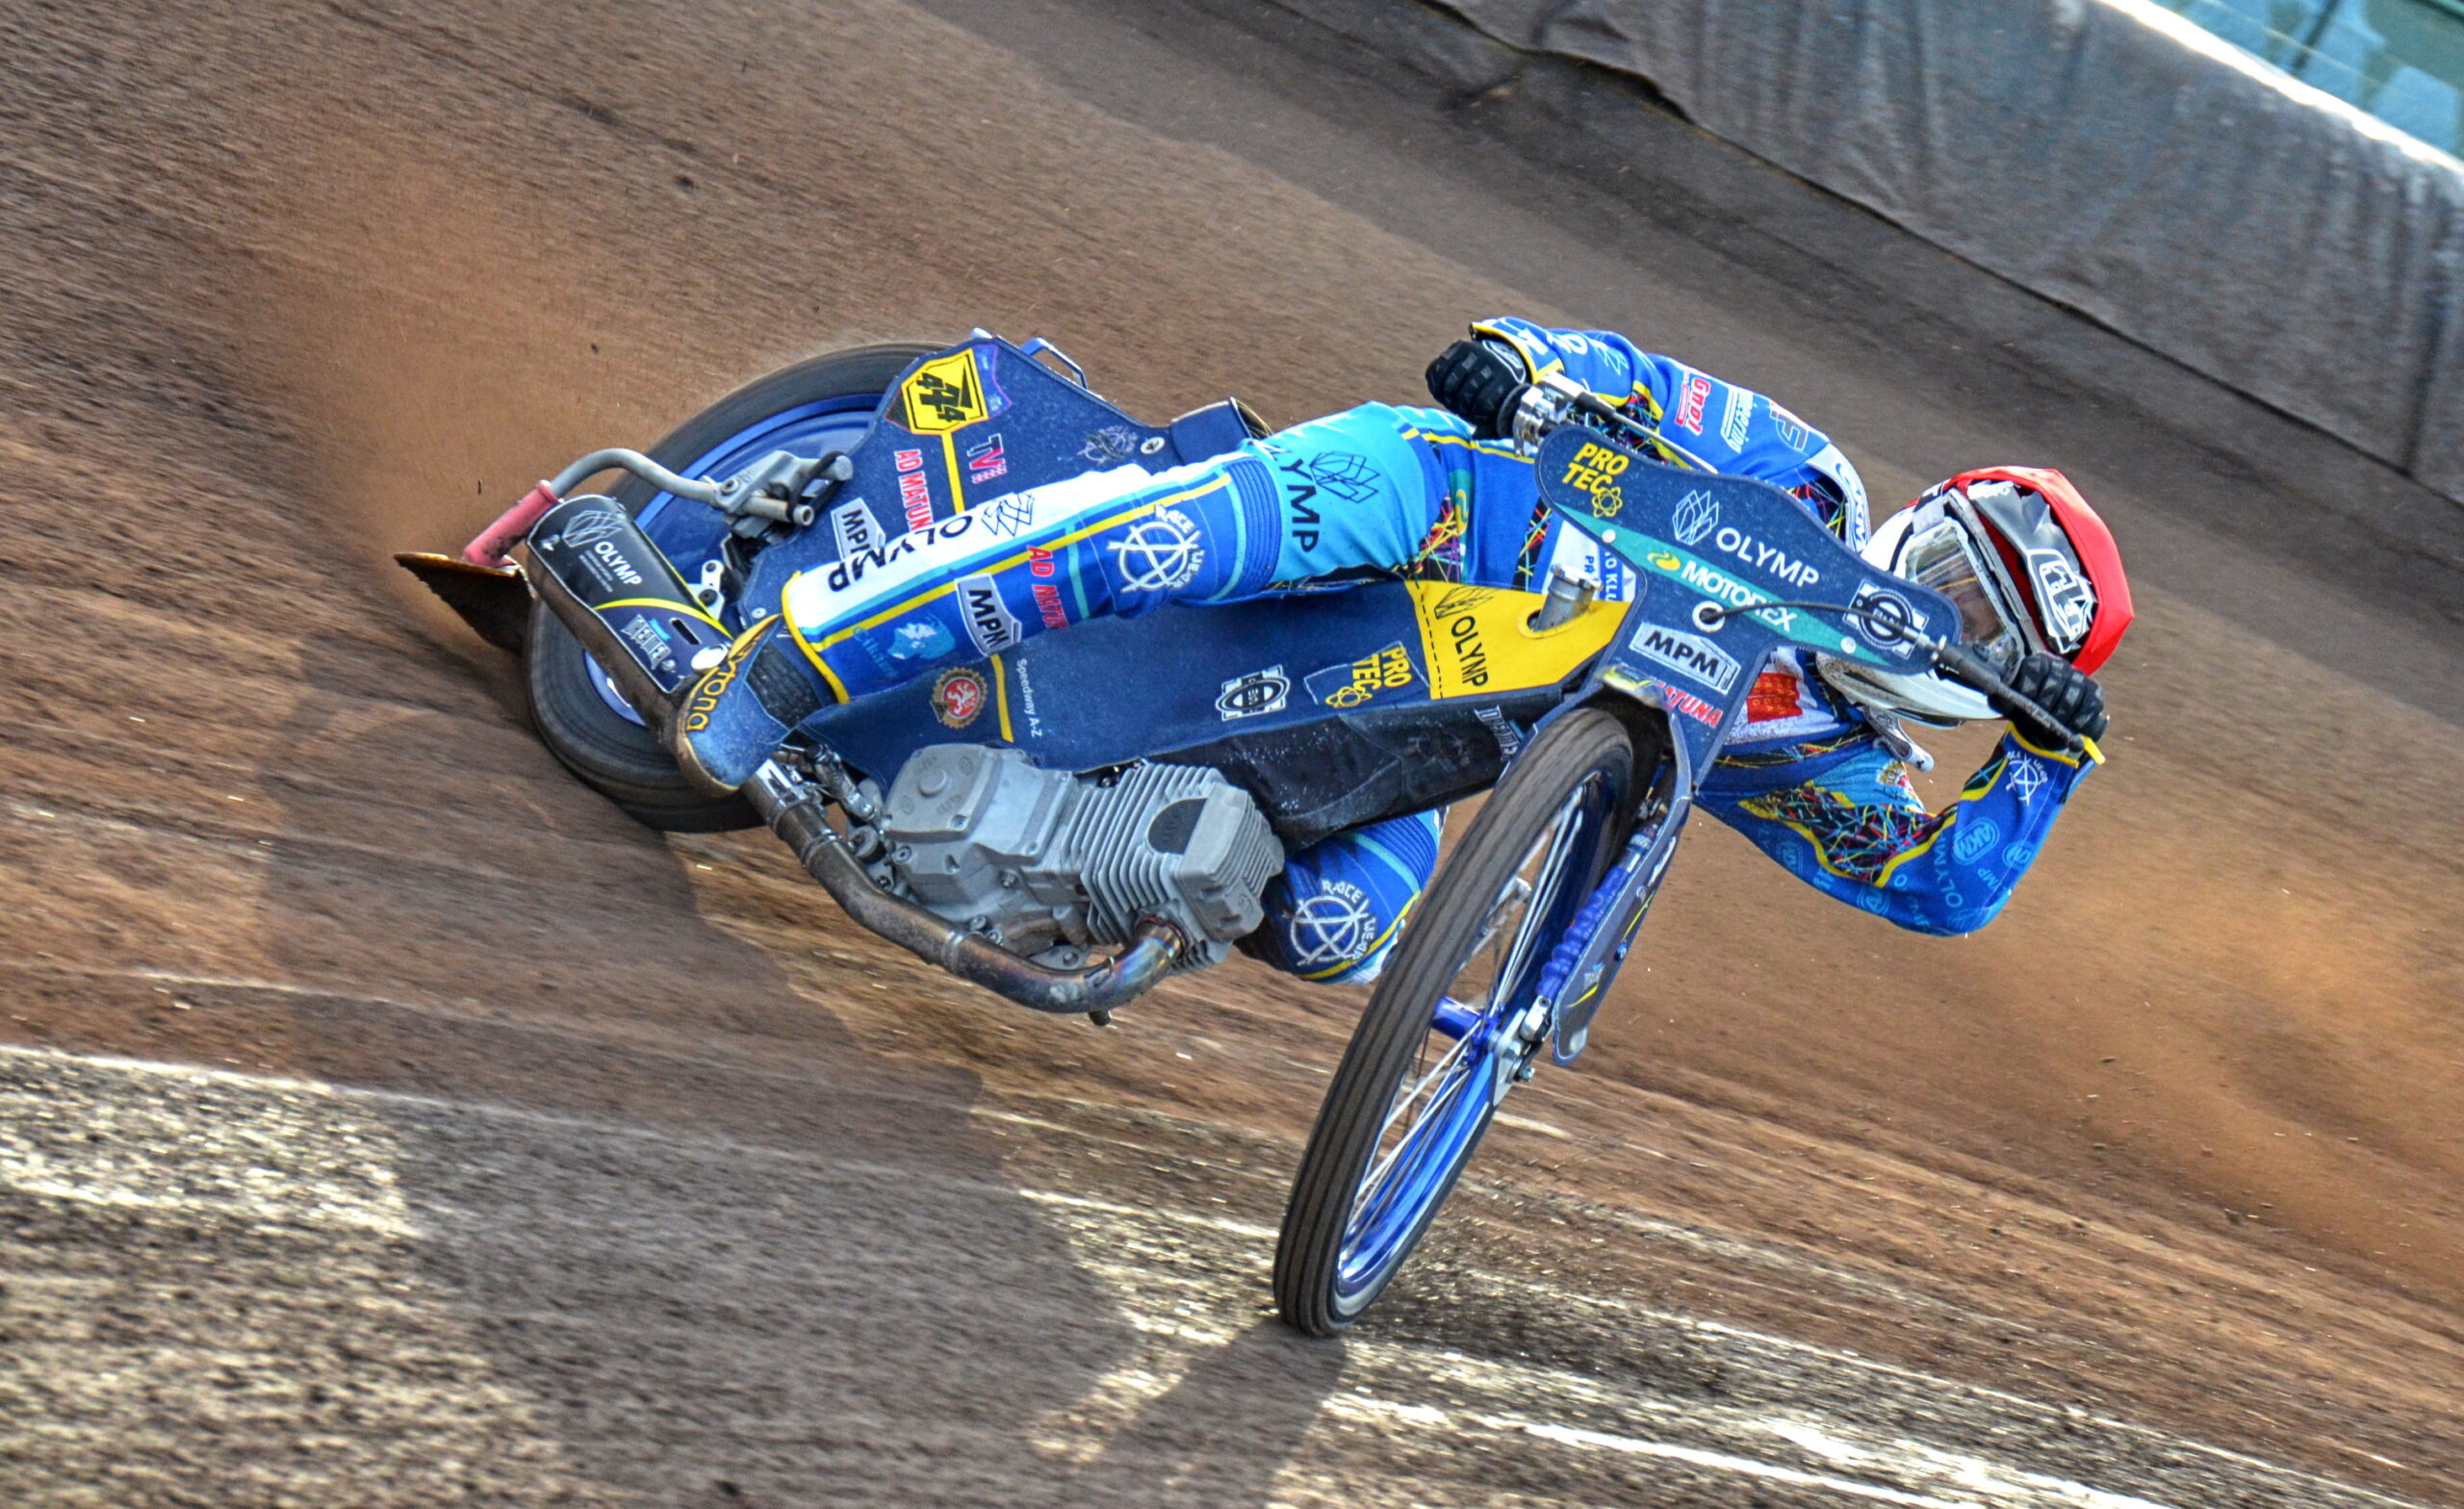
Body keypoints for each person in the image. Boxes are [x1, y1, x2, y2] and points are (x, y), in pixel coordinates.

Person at [681, 319, 2131, 982]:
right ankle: (794, 661)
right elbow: (1640, 378)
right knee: (1160, 548)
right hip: (1427, 507)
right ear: (1922, 519)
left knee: (1340, 930)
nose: (1937, 601)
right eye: (1951, 560)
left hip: (1415, 722)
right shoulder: (1804, 482)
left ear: (1990, 682)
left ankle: (1049, 843)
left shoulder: (1829, 758)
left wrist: (2046, 765)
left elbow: (1937, 890)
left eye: (1982, 619)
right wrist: (1527, 364)